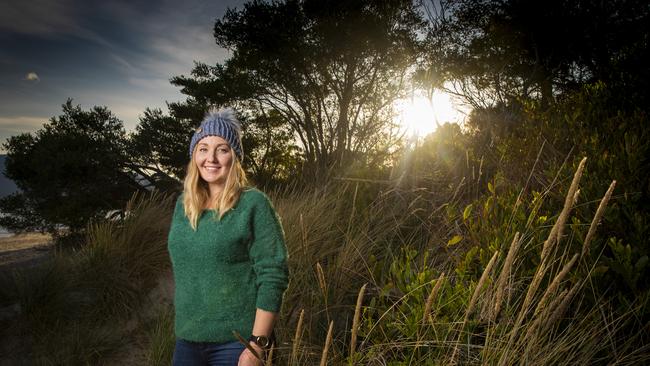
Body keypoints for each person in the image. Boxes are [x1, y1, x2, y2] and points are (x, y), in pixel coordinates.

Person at [167, 108, 289, 366]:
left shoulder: (253, 204)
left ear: (234, 156)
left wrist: (258, 344)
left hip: (238, 342)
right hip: (188, 339)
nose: (211, 158)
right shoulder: (184, 205)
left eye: (222, 149)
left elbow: (273, 274)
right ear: (194, 155)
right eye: (203, 149)